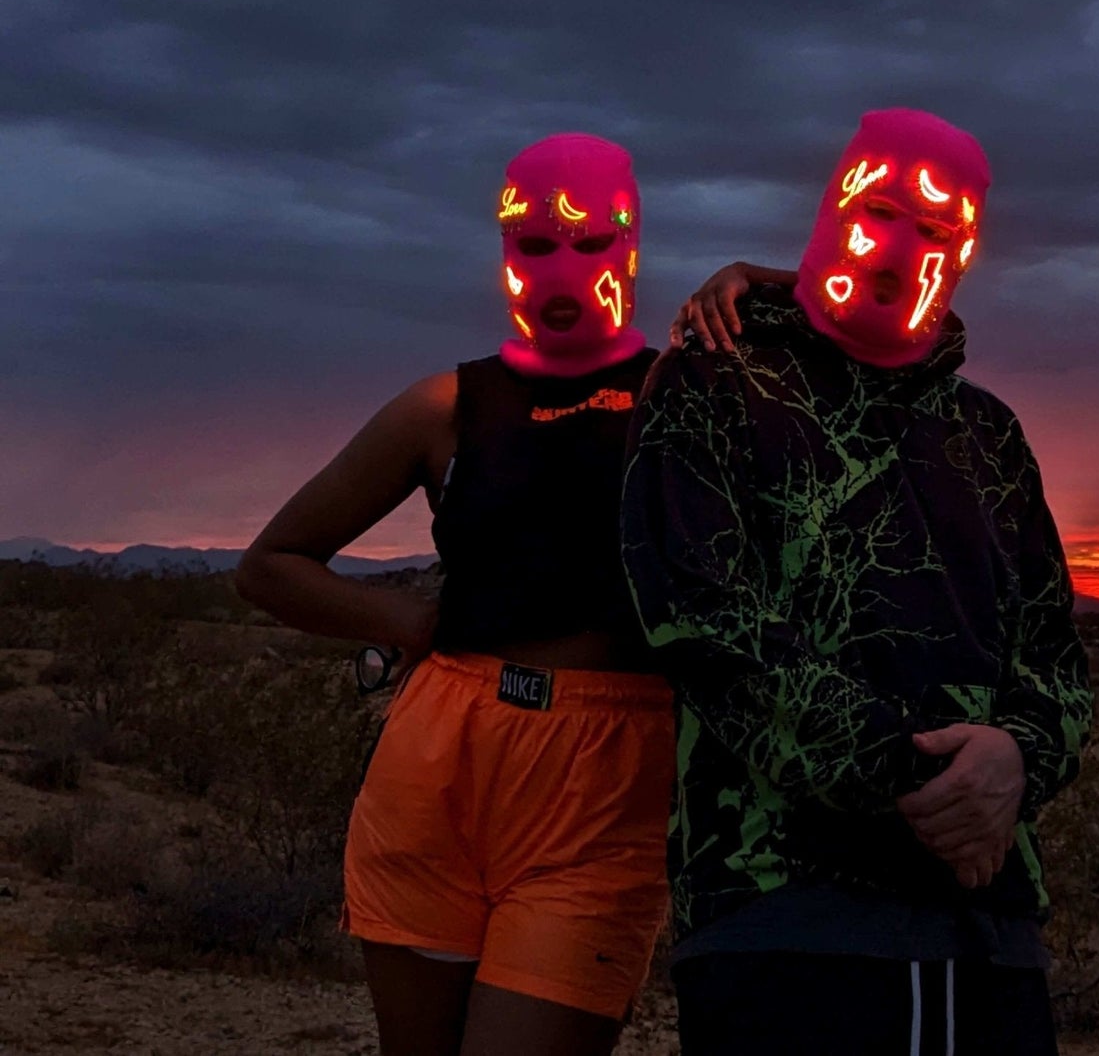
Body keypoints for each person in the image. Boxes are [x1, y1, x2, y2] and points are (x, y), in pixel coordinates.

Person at [235, 133, 777, 1056]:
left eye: (592, 241)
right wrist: (409, 622)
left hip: (607, 782)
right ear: (504, 250)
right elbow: (272, 563)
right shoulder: (446, 405)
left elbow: (878, 316)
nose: (563, 266)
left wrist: (759, 280)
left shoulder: (682, 394)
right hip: (439, 765)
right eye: (534, 243)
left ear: (632, 248)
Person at [621, 108, 1093, 1056]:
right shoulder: (716, 384)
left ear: (965, 252)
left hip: (986, 920)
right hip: (782, 903)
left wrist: (1017, 762)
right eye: (883, 208)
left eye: (938, 228)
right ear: (835, 205)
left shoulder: (990, 435)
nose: (901, 243)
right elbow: (703, 627)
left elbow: (1054, 661)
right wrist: (937, 791)